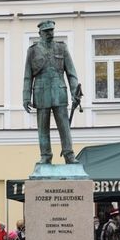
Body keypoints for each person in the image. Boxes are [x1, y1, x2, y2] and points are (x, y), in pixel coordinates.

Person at [22, 20, 80, 164]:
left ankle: (69, 155)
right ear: (40, 33)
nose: (50, 34)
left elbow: (71, 73)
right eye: (47, 31)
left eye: (51, 31)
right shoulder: (33, 51)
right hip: (41, 93)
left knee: (64, 126)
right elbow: (27, 76)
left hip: (59, 92)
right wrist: (25, 96)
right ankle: (45, 156)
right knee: (43, 128)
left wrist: (75, 91)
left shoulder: (62, 48)